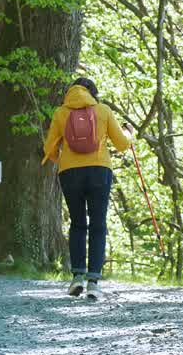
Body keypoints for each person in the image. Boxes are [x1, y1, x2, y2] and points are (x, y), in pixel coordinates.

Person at [41, 76, 132, 300]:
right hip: (100, 170)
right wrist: (130, 133)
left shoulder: (61, 113)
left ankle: (76, 278)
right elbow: (122, 144)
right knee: (98, 224)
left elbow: (48, 149)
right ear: (93, 92)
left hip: (70, 172)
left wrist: (64, 159)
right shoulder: (103, 110)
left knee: (78, 223)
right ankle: (93, 282)